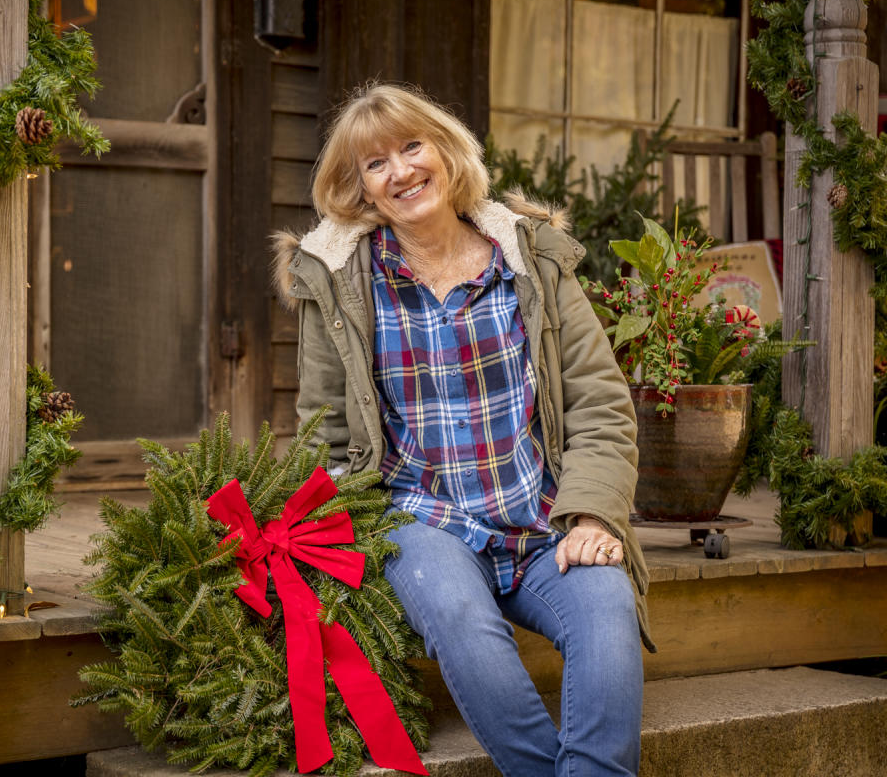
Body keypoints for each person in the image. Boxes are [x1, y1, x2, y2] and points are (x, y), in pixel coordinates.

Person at [273, 83, 654, 777]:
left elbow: (600, 403)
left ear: (446, 152)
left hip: (541, 519)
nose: (400, 171)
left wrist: (593, 513)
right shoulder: (340, 281)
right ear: (360, 189)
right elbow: (322, 432)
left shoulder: (531, 261)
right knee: (459, 616)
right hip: (421, 522)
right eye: (375, 163)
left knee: (607, 604)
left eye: (411, 147)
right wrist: (338, 532)